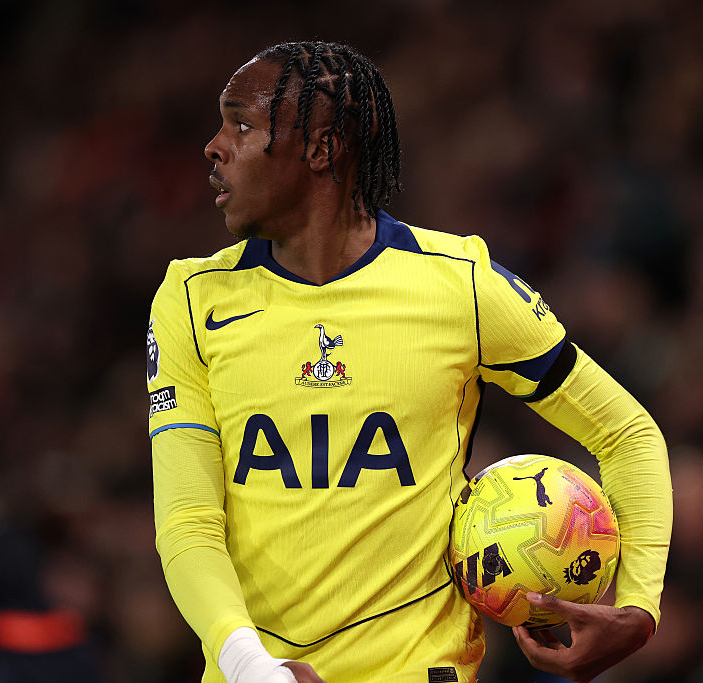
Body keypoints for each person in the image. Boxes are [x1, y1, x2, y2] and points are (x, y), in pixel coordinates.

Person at [147, 40, 672, 683]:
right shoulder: (190, 300)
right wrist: (253, 667)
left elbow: (626, 433)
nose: (214, 145)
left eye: (242, 124)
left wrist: (640, 606)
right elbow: (189, 524)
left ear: (321, 149)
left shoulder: (461, 286)